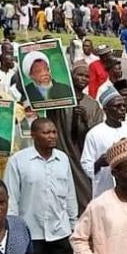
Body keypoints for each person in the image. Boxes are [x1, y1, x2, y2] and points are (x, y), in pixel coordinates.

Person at [5, 118, 78, 254]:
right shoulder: (19, 161)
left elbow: (70, 193)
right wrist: (14, 231)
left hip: (60, 231)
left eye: (54, 131)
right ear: (33, 135)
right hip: (31, 233)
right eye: (46, 132)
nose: (51, 136)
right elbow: (11, 199)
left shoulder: (62, 159)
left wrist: (73, 224)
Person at [48, 61, 103, 212]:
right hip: (62, 151)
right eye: (79, 75)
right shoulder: (60, 99)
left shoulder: (92, 105)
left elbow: (97, 134)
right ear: (72, 76)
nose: (83, 79)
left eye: (86, 76)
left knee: (85, 197)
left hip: (81, 157)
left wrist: (86, 121)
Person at [81, 86, 127, 198]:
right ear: (106, 110)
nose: (122, 108)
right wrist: (99, 163)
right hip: (105, 189)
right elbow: (86, 164)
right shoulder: (94, 134)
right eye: (117, 106)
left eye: (123, 105)